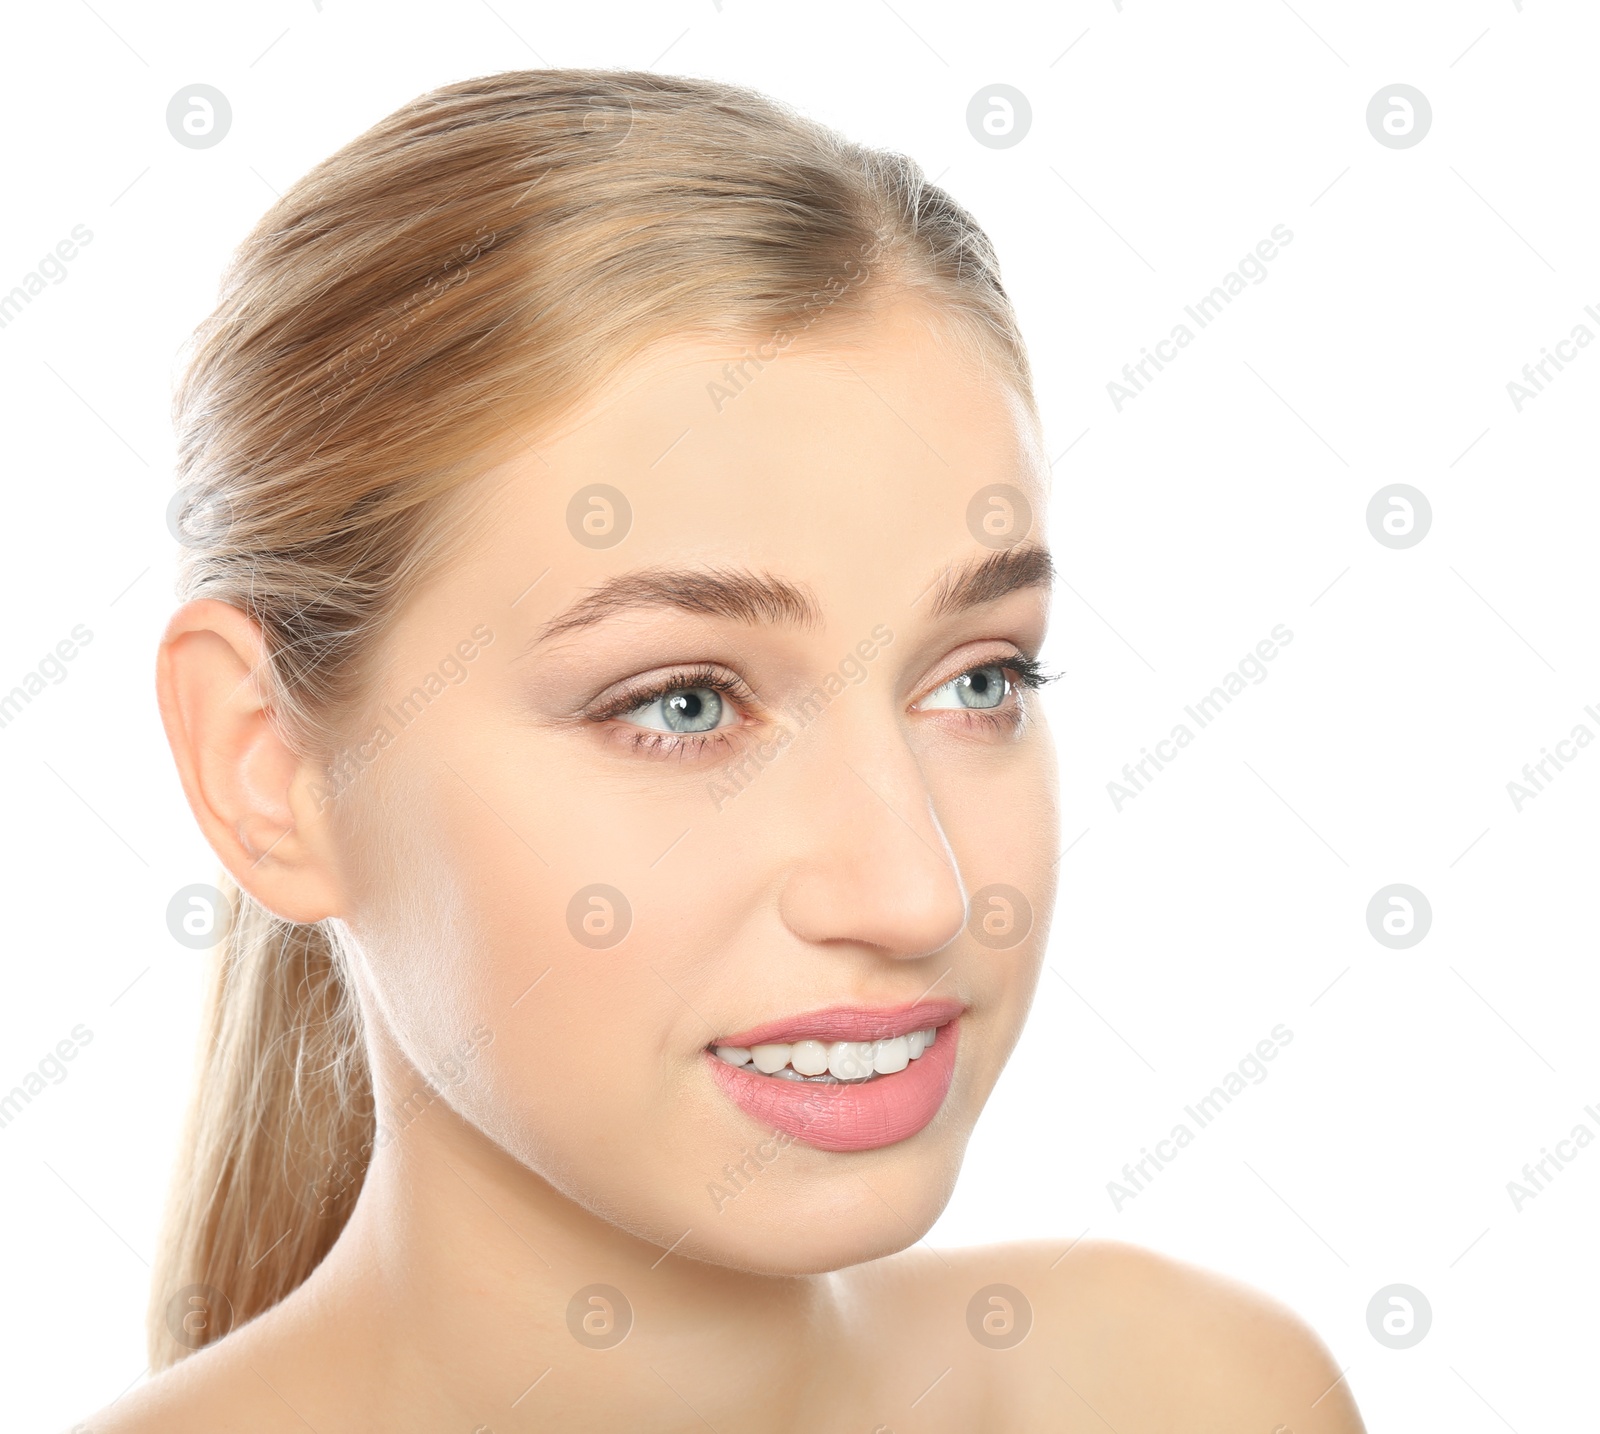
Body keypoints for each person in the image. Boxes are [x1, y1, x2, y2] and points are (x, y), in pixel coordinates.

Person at [90, 69, 1364, 1432]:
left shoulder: (1197, 1393)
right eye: (684, 702)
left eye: (980, 676)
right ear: (265, 770)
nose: (917, 892)